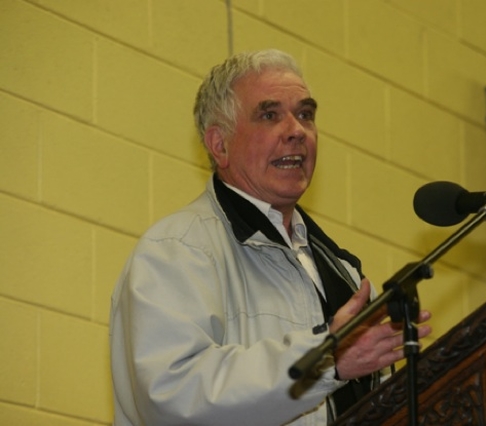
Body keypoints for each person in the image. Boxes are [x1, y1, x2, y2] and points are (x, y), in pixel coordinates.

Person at [109, 49, 432, 426]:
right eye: (269, 115)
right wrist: (326, 360)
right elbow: (171, 396)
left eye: (306, 114)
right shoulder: (177, 249)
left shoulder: (341, 270)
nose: (297, 131)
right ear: (220, 145)